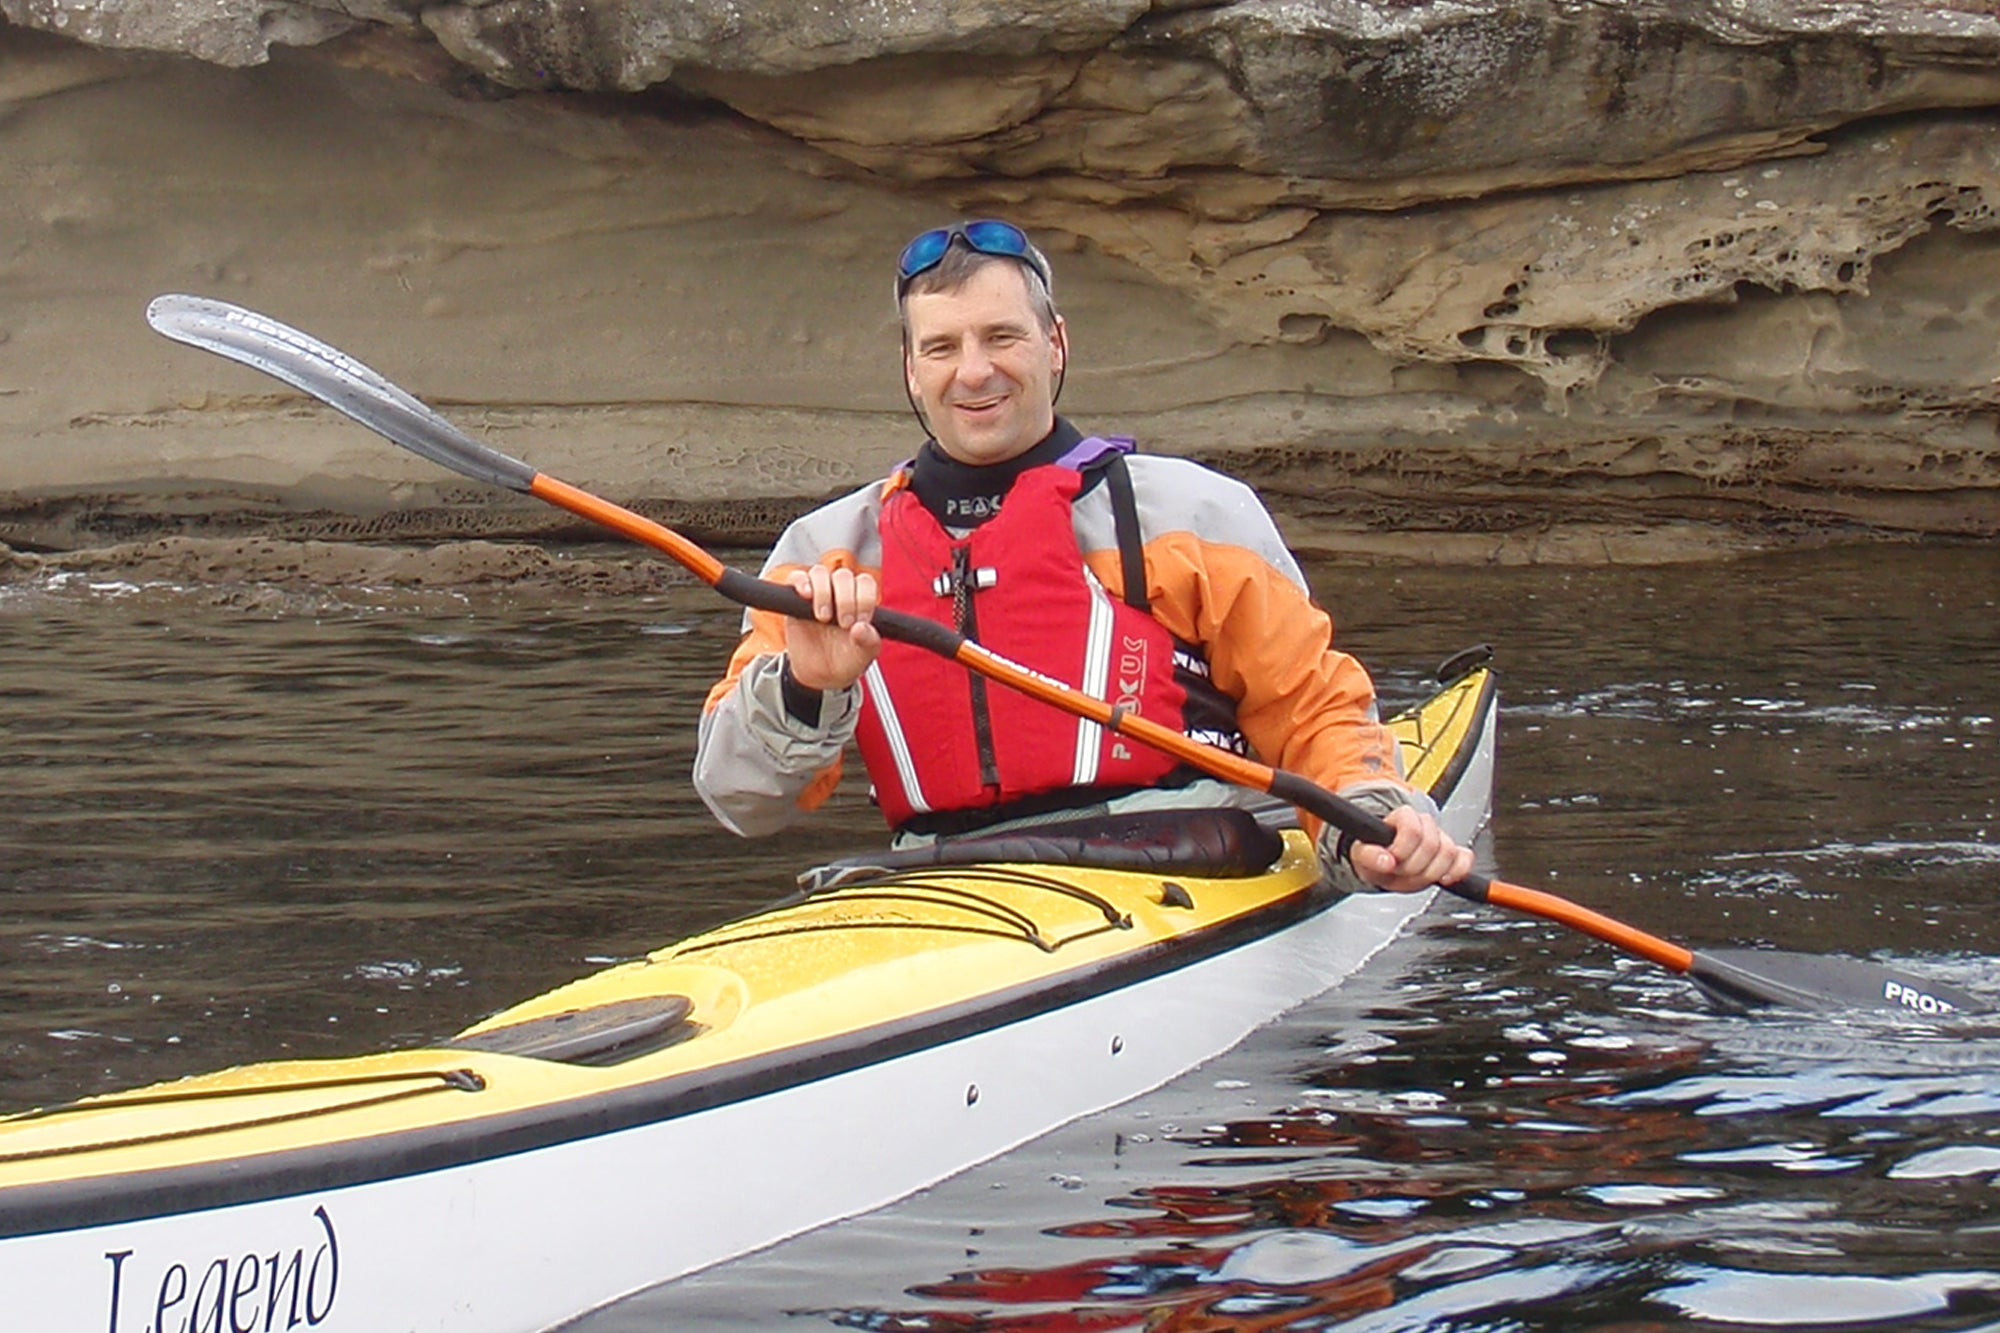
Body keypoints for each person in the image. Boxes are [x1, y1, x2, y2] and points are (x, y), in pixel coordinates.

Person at [693, 219, 1471, 893]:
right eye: (942, 347)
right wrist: (805, 687)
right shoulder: (822, 555)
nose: (974, 371)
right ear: (910, 368)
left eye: (1002, 337)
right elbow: (738, 800)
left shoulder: (1191, 513)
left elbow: (1311, 713)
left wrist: (1367, 818)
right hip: (943, 882)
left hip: (1186, 859)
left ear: (1055, 343)